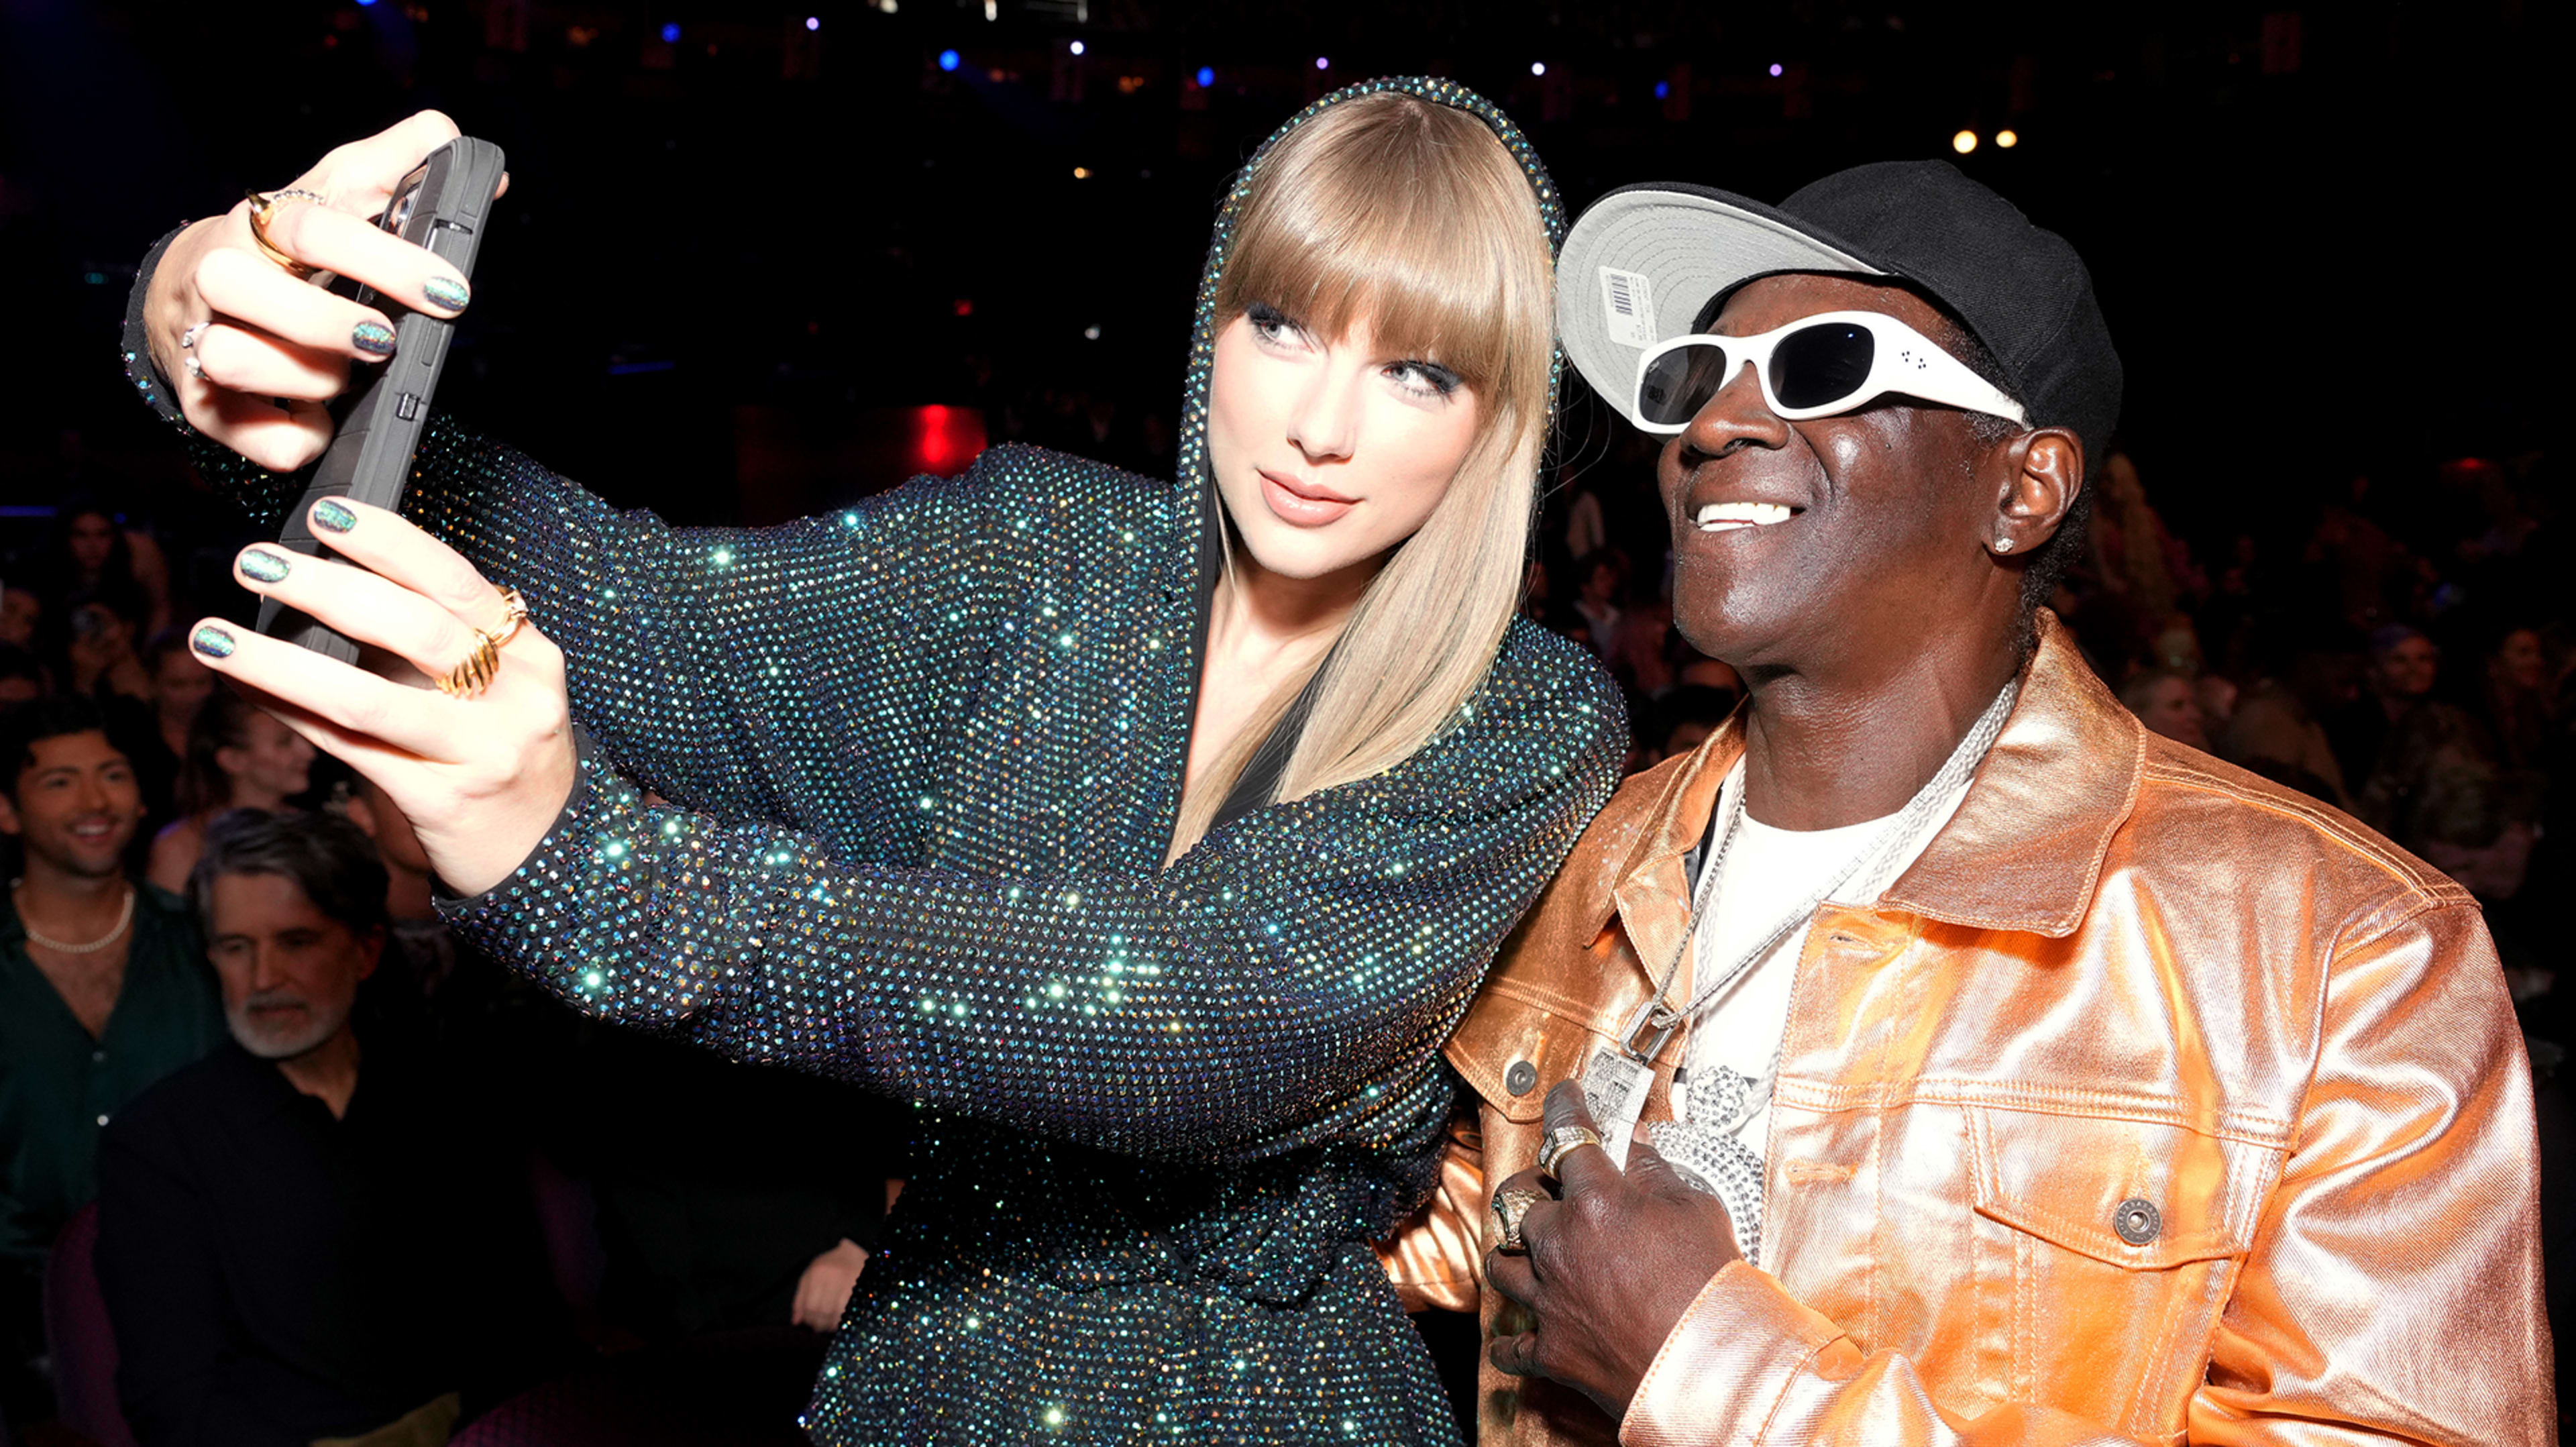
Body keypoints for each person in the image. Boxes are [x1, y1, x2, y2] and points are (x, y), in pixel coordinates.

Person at [125, 81, 1623, 1442]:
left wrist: (587, 865)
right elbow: (652, 627)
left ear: (1497, 422)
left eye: (1419, 371)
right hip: (919, 1376)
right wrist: (270, 373)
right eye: (1283, 325)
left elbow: (1195, 1010)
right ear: (1214, 319)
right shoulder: (1036, 554)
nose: (1320, 425)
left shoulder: (1530, 716)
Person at [1387, 160, 2548, 1443]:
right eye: (1694, 377)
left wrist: (1719, 1372)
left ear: (2023, 488)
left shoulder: (2335, 949)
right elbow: (1428, 1236)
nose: (1714, 425)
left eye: (1824, 365)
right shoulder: (1582, 857)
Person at [95, 809, 569, 1446]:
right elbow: (176, 1402)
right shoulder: (158, 1144)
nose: (264, 980)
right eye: (237, 948)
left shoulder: (448, 1104)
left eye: (297, 942)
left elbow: (523, 1331)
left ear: (366, 949)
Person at [0, 697, 223, 1422]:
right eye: (60, 781)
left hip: (202, 1307)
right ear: (6, 812)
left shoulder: (205, 945)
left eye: (113, 774)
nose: (95, 801)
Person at [144, 688, 314, 894]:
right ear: (233, 760)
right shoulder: (181, 848)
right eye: (284, 742)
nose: (308, 752)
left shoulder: (311, 831)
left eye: (302, 736)